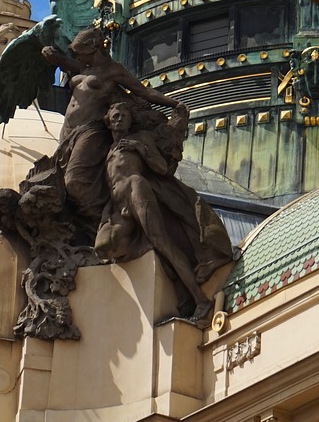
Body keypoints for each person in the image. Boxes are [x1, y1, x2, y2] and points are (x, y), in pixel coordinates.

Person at [97, 100, 233, 325]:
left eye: (123, 114)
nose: (119, 118)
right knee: (103, 246)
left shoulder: (140, 138)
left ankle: (200, 299)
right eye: (115, 115)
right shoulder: (109, 151)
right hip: (117, 204)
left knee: (163, 244)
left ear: (131, 119)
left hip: (135, 189)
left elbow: (161, 167)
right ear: (108, 121)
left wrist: (141, 149)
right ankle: (182, 291)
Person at [42, 26, 187, 229]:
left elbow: (144, 92)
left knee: (75, 180)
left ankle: (105, 220)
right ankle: (87, 225)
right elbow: (69, 64)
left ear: (93, 47)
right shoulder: (84, 68)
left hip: (91, 130)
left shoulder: (113, 71)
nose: (77, 56)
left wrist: (174, 104)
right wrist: (55, 58)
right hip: (68, 131)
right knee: (62, 184)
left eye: (80, 51)